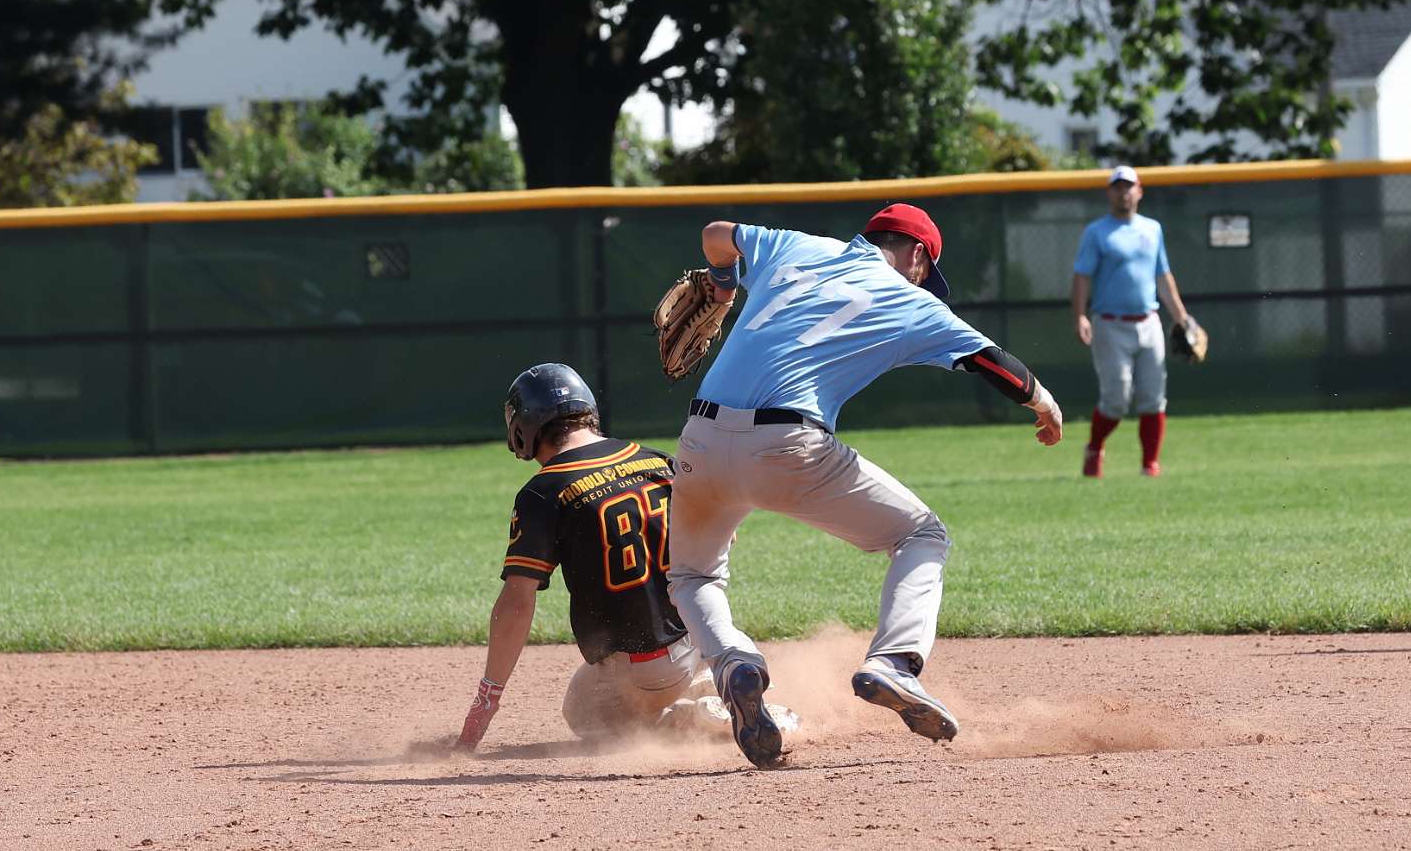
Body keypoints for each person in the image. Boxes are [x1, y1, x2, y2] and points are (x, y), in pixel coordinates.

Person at [666, 203, 1065, 769]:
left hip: (700, 440)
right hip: (788, 446)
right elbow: (996, 365)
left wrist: (725, 286)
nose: (924, 282)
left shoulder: (795, 245)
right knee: (922, 534)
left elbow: (714, 234)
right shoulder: (911, 300)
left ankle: (733, 663)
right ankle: (894, 663)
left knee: (693, 575)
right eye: (927, 271)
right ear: (918, 253)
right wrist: (1044, 405)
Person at [453, 362, 798, 749]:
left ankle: (681, 719)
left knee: (580, 709)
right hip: (698, 640)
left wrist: (486, 700)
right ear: (587, 410)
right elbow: (724, 536)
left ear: (522, 430)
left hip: (635, 674)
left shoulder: (543, 491)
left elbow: (517, 603)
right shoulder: (656, 460)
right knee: (714, 641)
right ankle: (715, 684)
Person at [1070, 164, 1196, 477]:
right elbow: (1082, 276)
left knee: (1153, 397)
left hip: (1149, 322)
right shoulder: (1097, 232)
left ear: (1139, 191)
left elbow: (1163, 277)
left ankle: (1149, 464)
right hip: (1110, 324)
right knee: (1116, 399)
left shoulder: (1152, 229)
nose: (1123, 193)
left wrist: (1183, 319)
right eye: (1117, 187)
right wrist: (1080, 315)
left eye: (1129, 187)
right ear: (1109, 193)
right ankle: (1095, 447)